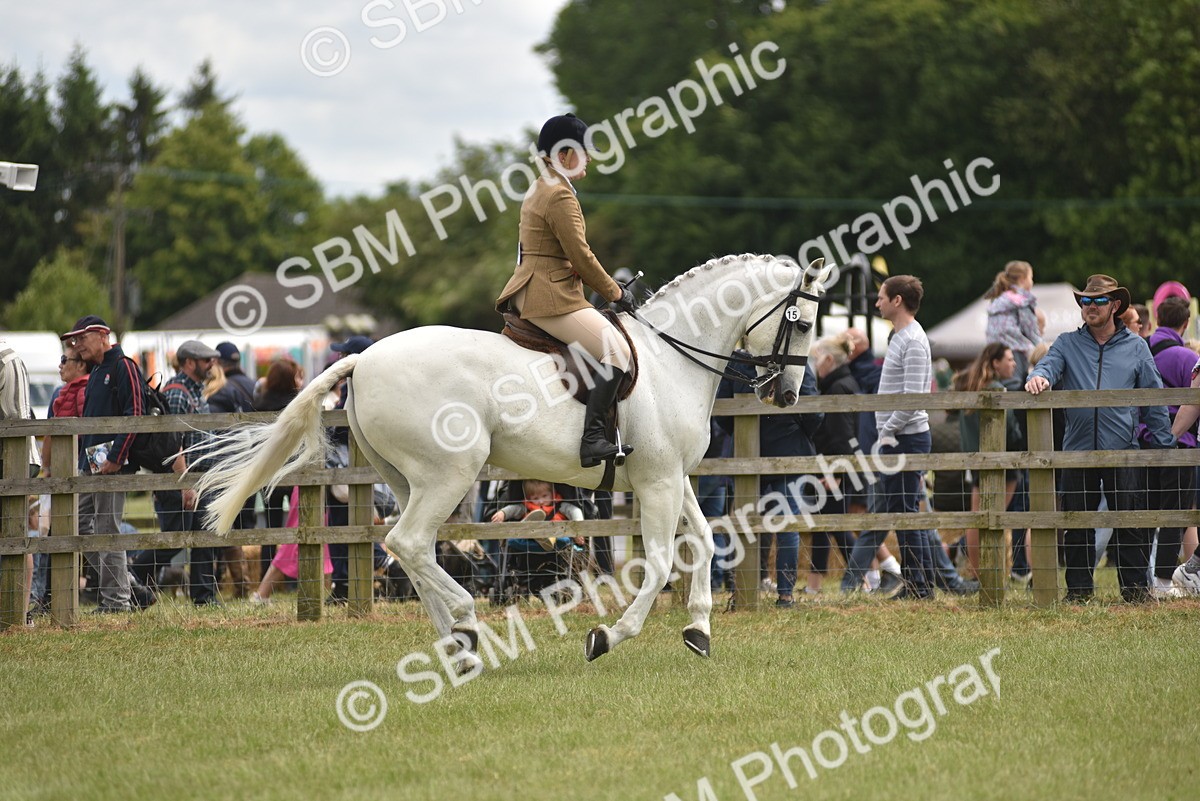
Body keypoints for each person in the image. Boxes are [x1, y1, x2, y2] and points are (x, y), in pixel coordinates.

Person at [495, 112, 638, 468]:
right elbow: (582, 256)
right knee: (618, 352)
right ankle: (592, 440)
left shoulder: (541, 186)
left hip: (538, 287)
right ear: (562, 156)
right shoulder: (558, 194)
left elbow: (558, 252)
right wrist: (616, 293)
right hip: (550, 297)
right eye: (583, 152)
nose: (589, 158)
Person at [1025, 275, 1174, 603]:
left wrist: (1165, 448)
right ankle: (1078, 593)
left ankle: (1135, 592)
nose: (1090, 307)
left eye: (1098, 301)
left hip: (1122, 451)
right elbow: (1047, 365)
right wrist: (1037, 377)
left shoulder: (1136, 347)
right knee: (1076, 523)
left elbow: (1154, 398)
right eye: (1086, 302)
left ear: (1115, 306)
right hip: (1076, 451)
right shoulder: (1066, 343)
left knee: (1129, 523)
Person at [841, 276, 938, 599]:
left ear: (898, 301)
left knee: (906, 514)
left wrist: (886, 430)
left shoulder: (911, 339)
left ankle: (920, 587)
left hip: (905, 438)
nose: (877, 302)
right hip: (899, 436)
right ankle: (918, 584)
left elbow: (913, 398)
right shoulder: (900, 336)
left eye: (882, 297)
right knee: (904, 512)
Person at [61, 316, 145, 613]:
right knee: (82, 526)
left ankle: (118, 602)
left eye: (82, 338)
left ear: (101, 336)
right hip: (91, 462)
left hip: (110, 463)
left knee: (108, 530)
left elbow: (135, 414)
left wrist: (116, 457)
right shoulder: (97, 370)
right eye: (74, 340)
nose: (76, 344)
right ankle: (127, 588)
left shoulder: (123, 366)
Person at [131, 340, 223, 605]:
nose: (212, 364)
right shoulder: (178, 392)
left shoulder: (194, 391)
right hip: (181, 478)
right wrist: (184, 483)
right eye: (207, 360)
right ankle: (134, 575)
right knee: (174, 539)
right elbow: (173, 442)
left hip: (199, 476)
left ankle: (204, 597)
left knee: (205, 536)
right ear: (190, 362)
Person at [1138, 296, 1196, 598]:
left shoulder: (1140, 349)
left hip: (1142, 440)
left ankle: (1142, 578)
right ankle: (1162, 583)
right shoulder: (1186, 358)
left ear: (1158, 318)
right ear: (1185, 324)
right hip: (1179, 444)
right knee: (1174, 516)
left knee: (1146, 513)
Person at [954, 343, 1023, 580]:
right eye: (1009, 359)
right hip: (1001, 462)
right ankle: (992, 572)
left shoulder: (970, 388)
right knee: (995, 516)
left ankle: (975, 571)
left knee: (977, 516)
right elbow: (1011, 430)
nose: (1013, 364)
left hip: (975, 460)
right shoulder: (996, 390)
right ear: (995, 363)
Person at [807, 334, 862, 594]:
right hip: (833, 467)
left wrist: (837, 473)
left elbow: (842, 435)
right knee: (825, 526)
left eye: (816, 358)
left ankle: (864, 577)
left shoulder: (838, 388)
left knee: (836, 528)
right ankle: (814, 586)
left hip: (835, 469)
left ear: (829, 359)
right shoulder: (841, 384)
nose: (813, 364)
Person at [253, 357, 304, 579]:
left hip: (270, 473)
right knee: (297, 525)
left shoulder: (260, 404)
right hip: (294, 470)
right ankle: (293, 578)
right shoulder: (297, 404)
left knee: (270, 530)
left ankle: (266, 574)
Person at [984, 260, 1041, 387]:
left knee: (1000, 387)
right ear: (1022, 279)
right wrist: (1043, 350)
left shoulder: (999, 299)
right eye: (1031, 278)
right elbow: (1030, 330)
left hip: (994, 353)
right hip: (1014, 351)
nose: (1032, 282)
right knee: (1016, 388)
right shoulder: (1021, 300)